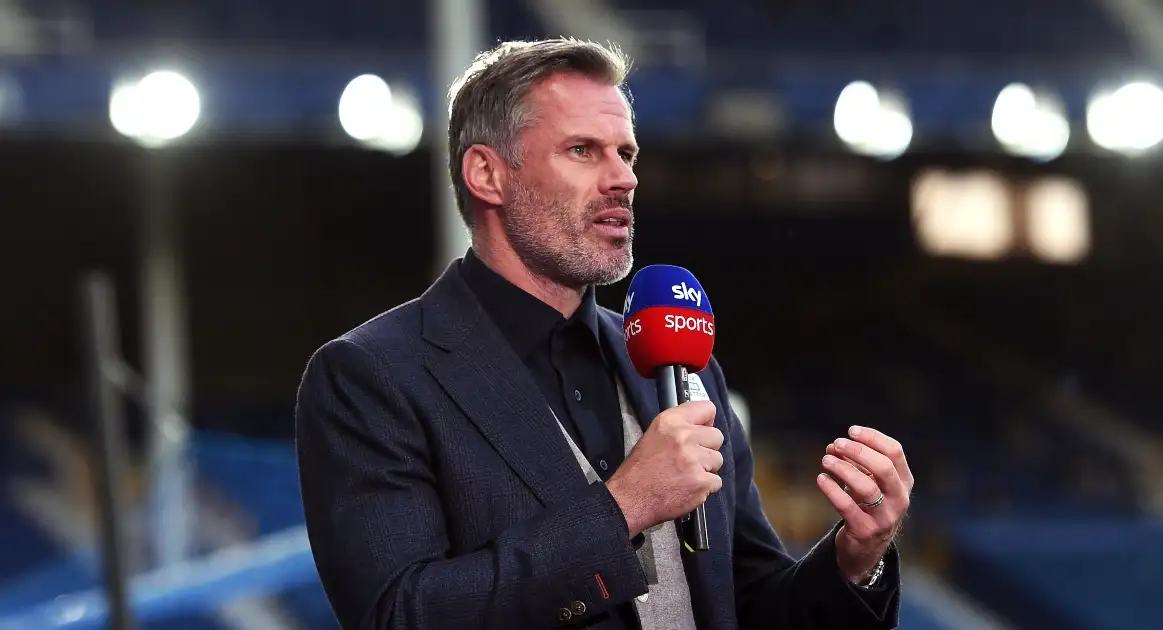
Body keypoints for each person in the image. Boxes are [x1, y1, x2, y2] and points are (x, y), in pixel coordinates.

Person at [295, 38, 913, 630]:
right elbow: (400, 616)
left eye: (626, 154)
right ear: (486, 174)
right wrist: (626, 505)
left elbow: (748, 606)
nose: (624, 179)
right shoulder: (371, 376)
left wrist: (855, 561)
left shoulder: (683, 366)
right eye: (583, 150)